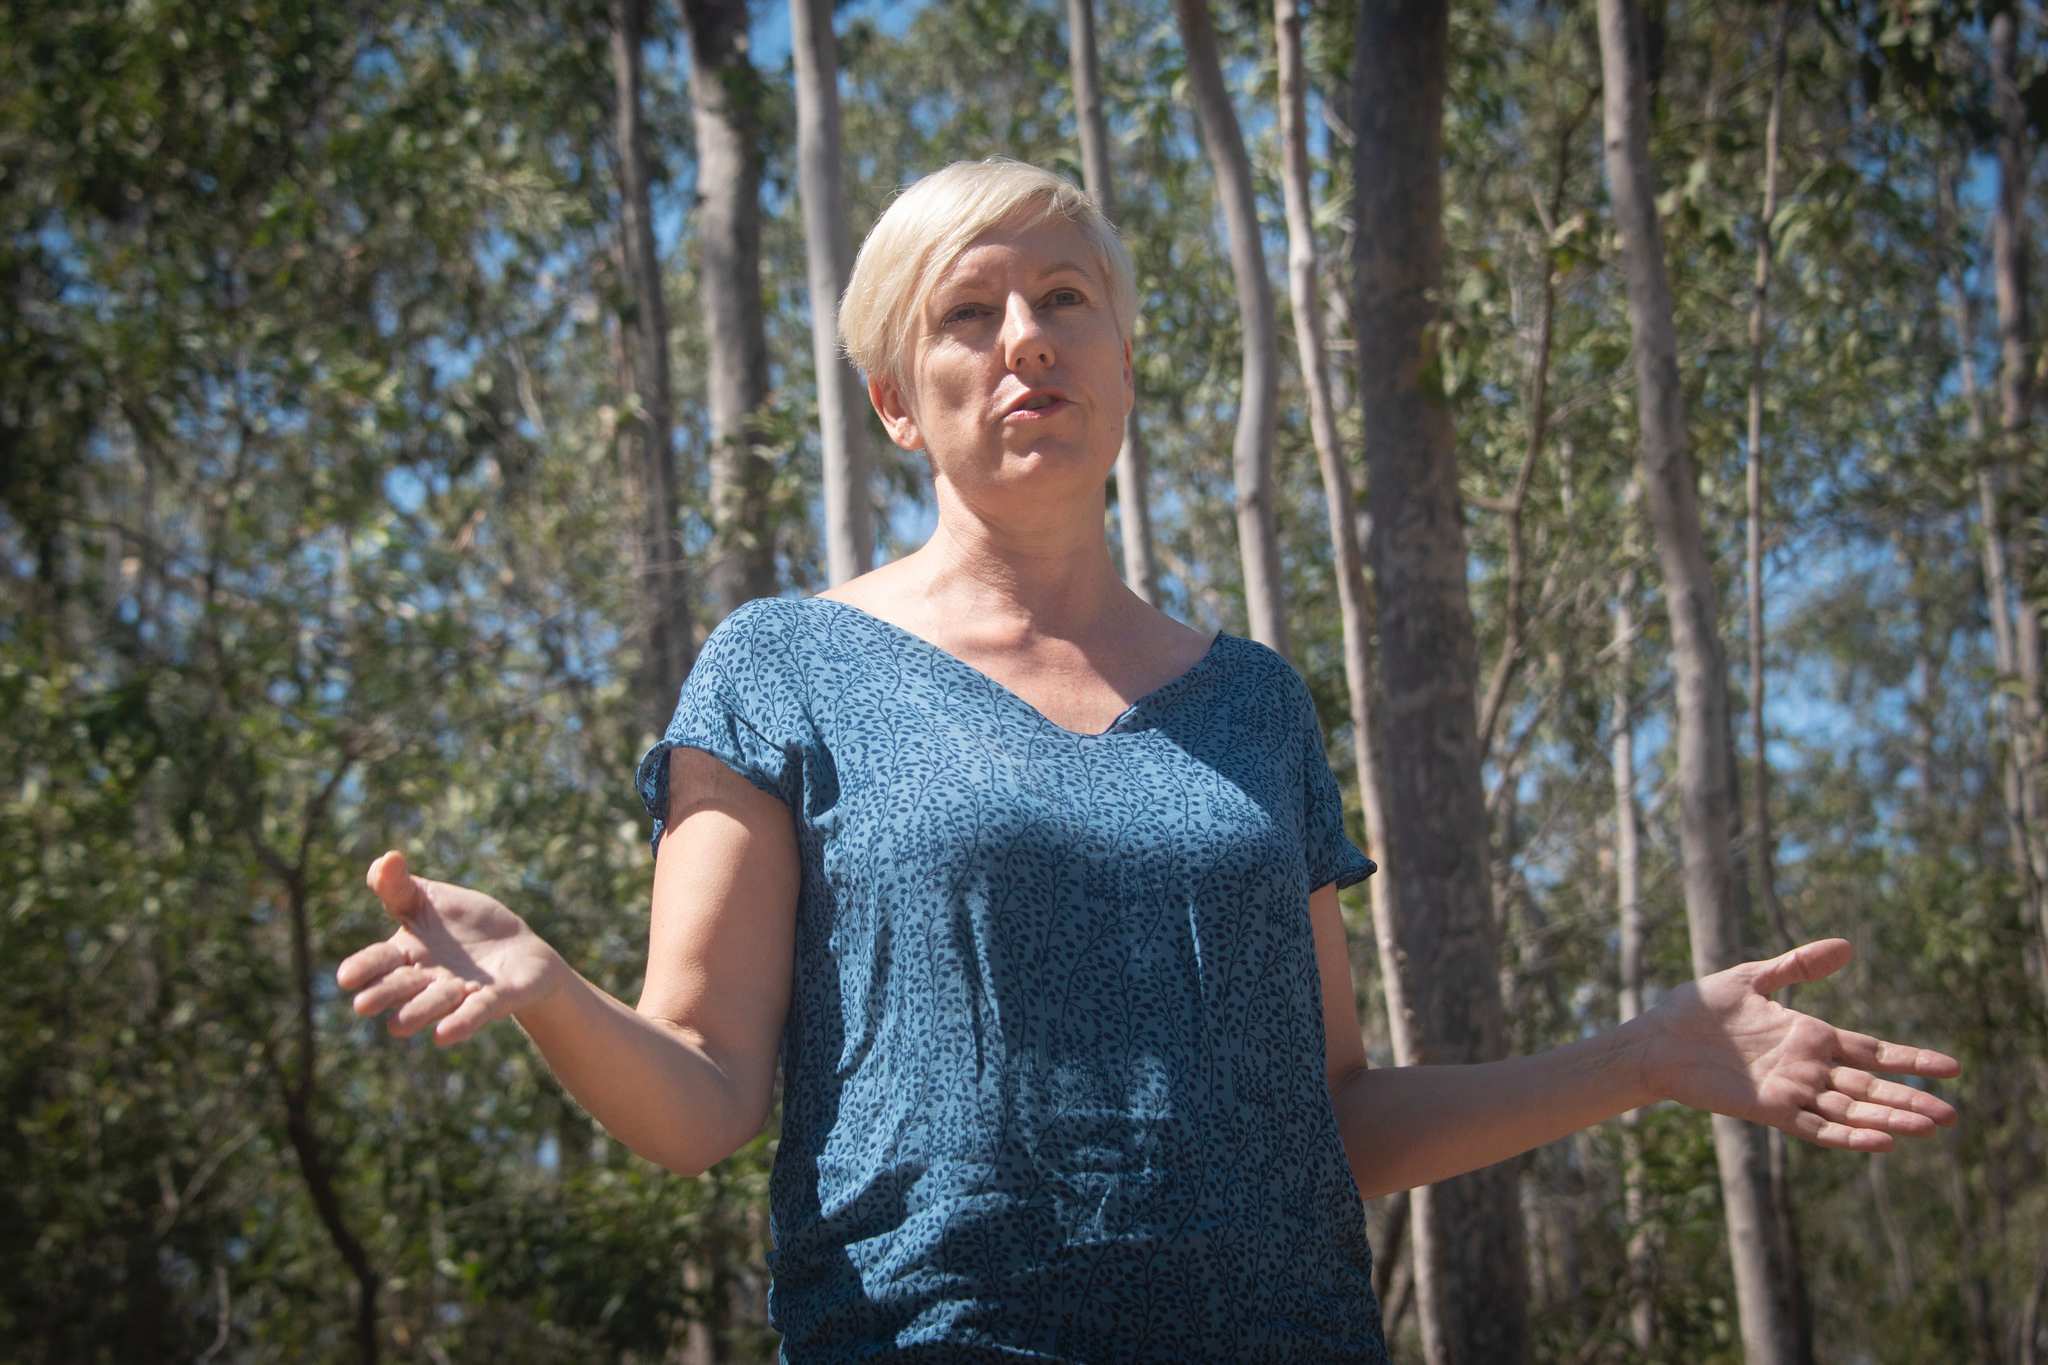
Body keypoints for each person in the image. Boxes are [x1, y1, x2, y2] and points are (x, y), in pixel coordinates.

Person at [336, 159, 1960, 1362]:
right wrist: (551, 985)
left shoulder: (1254, 700)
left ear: (1121, 357)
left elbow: (1330, 1118)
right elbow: (702, 1098)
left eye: (1066, 300)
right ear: (903, 401)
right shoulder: (784, 666)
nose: (1026, 338)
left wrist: (1653, 1051)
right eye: (969, 314)